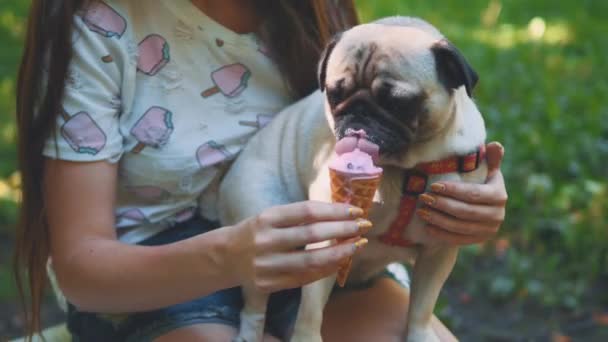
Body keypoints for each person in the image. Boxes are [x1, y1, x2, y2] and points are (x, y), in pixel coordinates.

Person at [13, 0, 508, 341]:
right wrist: (233, 254)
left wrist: (456, 187)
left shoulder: (316, 14)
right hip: (152, 277)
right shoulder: (100, 25)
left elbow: (391, 141)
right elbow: (81, 269)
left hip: (322, 266)